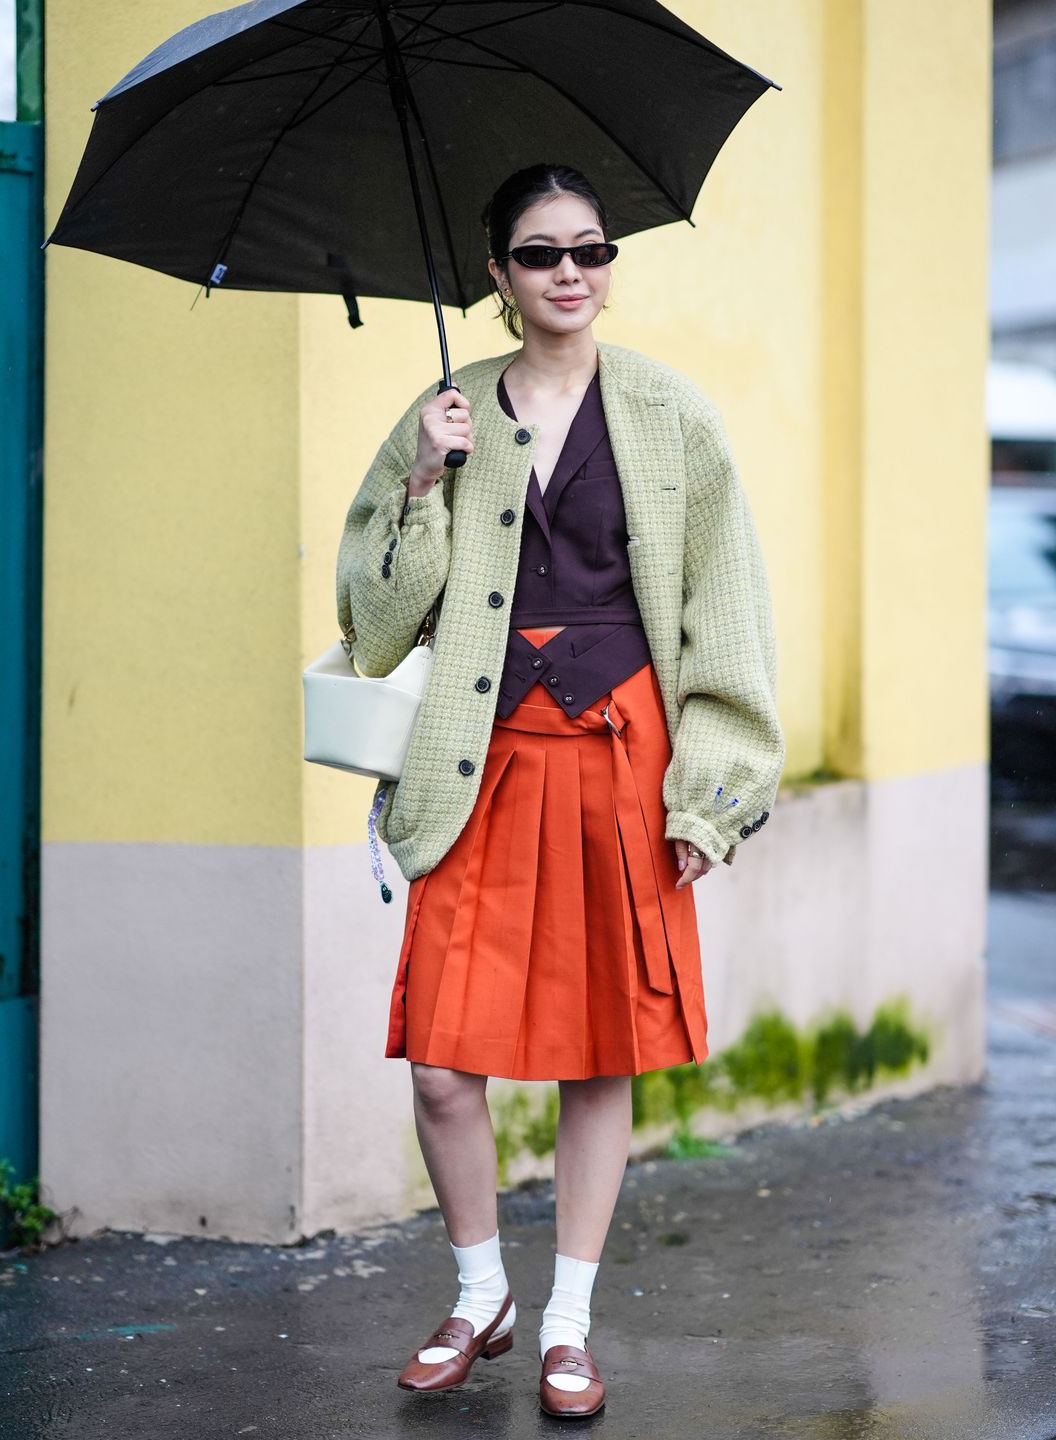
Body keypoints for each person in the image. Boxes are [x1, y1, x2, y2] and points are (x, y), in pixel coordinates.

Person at [334, 162, 785, 1418]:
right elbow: (373, 632)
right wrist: (423, 480)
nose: (571, 273)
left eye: (591, 249)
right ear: (497, 274)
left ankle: (569, 1324)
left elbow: (728, 618)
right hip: (479, 769)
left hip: (622, 762)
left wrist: (710, 798)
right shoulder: (445, 414)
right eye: (540, 254)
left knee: (601, 1051)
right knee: (440, 1062)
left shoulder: (673, 416)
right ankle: (481, 1293)